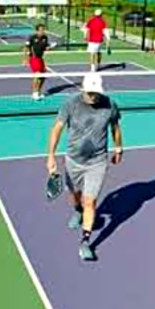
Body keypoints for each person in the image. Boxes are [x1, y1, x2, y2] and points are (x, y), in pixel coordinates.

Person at [46, 73, 124, 261]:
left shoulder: (110, 104)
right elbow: (57, 129)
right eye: (90, 93)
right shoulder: (70, 104)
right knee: (74, 195)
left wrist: (119, 147)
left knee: (90, 202)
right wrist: (51, 156)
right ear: (82, 89)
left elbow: (115, 127)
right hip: (73, 160)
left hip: (98, 162)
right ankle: (77, 211)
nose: (93, 96)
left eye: (96, 93)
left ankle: (85, 242)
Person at [24, 24, 51, 100]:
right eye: (41, 30)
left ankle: (39, 92)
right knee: (37, 75)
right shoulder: (32, 38)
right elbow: (26, 47)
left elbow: (45, 47)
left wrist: (48, 48)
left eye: (43, 30)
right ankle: (34, 93)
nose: (42, 31)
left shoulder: (45, 38)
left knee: (43, 77)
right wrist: (26, 58)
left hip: (41, 59)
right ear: (37, 31)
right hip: (34, 58)